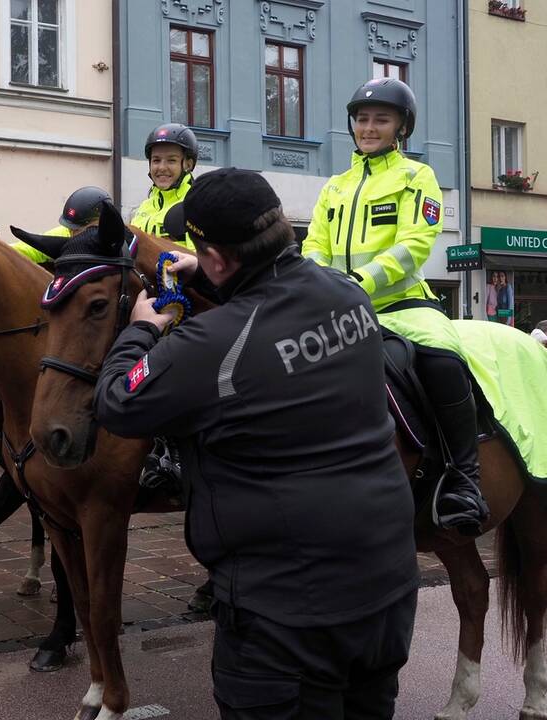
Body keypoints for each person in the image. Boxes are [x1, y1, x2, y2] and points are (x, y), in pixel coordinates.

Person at [95, 168, 419, 718]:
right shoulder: (345, 293)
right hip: (386, 585)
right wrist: (211, 269)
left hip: (286, 611)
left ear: (218, 258)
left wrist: (143, 329)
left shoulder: (211, 344)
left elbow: (117, 402)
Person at [302, 77, 489, 535]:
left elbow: (414, 244)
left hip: (403, 305)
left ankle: (465, 478)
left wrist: (358, 282)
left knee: (444, 361)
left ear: (401, 126)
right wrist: (314, 283)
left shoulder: (417, 177)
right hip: (338, 306)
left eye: (380, 119)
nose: (369, 127)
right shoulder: (335, 186)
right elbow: (314, 244)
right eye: (362, 119)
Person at [130, 123, 199, 248]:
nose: (161, 167)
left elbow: (201, 262)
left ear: (188, 165)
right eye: (156, 160)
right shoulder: (143, 208)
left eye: (171, 160)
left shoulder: (195, 206)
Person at [12, 186, 112, 264]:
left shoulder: (119, 243)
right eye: (70, 228)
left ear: (99, 223)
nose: (72, 233)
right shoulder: (64, 232)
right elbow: (30, 249)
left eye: (77, 229)